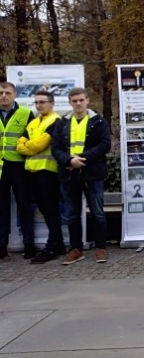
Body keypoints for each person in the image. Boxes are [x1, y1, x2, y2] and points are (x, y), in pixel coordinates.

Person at [52, 87, 111, 265]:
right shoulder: (62, 123)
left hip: (92, 174)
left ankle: (101, 248)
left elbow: (105, 145)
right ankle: (76, 249)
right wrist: (69, 161)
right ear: (70, 102)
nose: (78, 103)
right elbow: (55, 148)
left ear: (87, 101)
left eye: (81, 100)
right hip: (69, 174)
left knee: (98, 213)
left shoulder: (99, 121)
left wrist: (82, 159)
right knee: (72, 215)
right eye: (74, 101)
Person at [16, 90, 64, 263]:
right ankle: (57, 244)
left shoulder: (56, 121)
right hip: (32, 172)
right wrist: (30, 146)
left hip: (47, 172)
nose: (39, 105)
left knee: (51, 210)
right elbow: (19, 146)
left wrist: (29, 146)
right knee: (45, 210)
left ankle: (53, 247)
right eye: (36, 102)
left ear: (51, 103)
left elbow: (40, 145)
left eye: (42, 102)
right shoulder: (33, 123)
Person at [0, 82, 35, 259]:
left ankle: (29, 243)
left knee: (24, 205)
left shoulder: (26, 113)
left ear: (14, 95)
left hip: (19, 166)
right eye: (0, 93)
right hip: (0, 167)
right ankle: (1, 246)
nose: (3, 96)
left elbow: (32, 139)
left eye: (7, 93)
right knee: (1, 208)